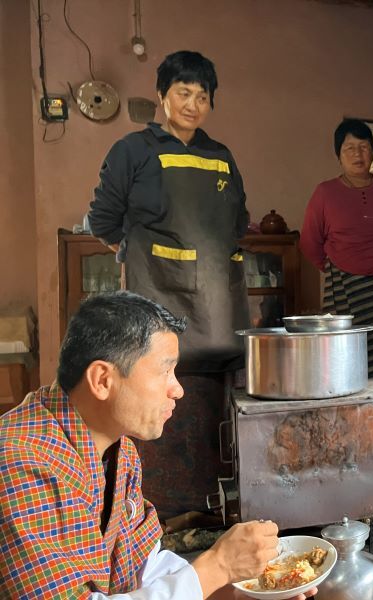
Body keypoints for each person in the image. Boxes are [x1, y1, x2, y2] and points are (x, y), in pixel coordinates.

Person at [0, 291, 316, 599]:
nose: (178, 390)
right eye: (165, 371)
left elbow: (143, 570)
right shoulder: (17, 461)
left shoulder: (120, 451)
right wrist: (216, 567)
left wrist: (234, 590)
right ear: (102, 380)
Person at [88, 50, 250, 514]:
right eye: (183, 93)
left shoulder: (220, 157)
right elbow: (103, 219)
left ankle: (214, 508)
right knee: (158, 403)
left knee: (218, 414)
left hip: (219, 314)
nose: (192, 105)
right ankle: (157, 513)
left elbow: (238, 220)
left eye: (202, 96)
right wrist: (142, 254)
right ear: (162, 96)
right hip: (159, 306)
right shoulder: (133, 151)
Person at [299, 118, 373, 378]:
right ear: (338, 156)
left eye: (363, 147)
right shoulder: (325, 192)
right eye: (349, 148)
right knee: (345, 356)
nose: (357, 154)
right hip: (344, 285)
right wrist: (336, 265)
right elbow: (309, 242)